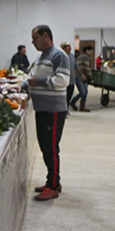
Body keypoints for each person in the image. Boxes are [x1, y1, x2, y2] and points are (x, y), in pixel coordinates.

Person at [28, 25, 70, 201]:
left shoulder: (59, 55)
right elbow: (31, 78)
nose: (32, 42)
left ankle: (53, 186)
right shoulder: (40, 57)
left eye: (35, 38)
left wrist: (39, 82)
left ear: (45, 36)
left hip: (53, 110)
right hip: (42, 109)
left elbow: (63, 80)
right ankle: (52, 181)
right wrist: (21, 86)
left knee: (51, 148)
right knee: (45, 147)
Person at [71, 46, 93, 112]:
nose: (91, 53)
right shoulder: (85, 57)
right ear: (87, 51)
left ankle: (82, 107)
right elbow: (87, 68)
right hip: (79, 76)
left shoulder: (81, 56)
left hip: (82, 76)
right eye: (90, 51)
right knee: (83, 92)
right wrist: (91, 77)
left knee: (85, 91)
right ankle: (73, 101)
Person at [60, 42, 76, 109]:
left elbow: (76, 66)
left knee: (69, 95)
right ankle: (64, 109)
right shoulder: (61, 56)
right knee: (64, 96)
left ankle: (67, 108)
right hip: (64, 80)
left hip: (71, 80)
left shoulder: (72, 56)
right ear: (64, 48)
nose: (70, 48)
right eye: (68, 47)